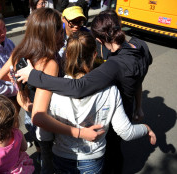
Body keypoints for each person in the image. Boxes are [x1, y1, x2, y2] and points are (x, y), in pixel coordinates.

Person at [16, 10, 153, 174]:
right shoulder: (141, 47)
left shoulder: (113, 66)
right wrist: (145, 125)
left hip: (61, 156)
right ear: (95, 54)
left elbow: (79, 88)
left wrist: (34, 76)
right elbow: (127, 128)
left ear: (67, 54)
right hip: (96, 155)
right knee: (115, 154)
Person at [0, 8, 65, 174]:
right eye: (60, 30)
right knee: (52, 160)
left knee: (44, 154)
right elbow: (40, 114)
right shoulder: (49, 63)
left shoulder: (20, 52)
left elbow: (1, 75)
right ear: (51, 33)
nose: (63, 34)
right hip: (50, 121)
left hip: (31, 114)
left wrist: (17, 83)